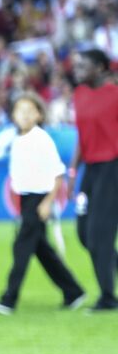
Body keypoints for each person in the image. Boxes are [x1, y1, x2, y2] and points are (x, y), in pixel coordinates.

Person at [0, 94, 87, 314]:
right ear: (13, 115)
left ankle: (9, 298)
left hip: (38, 199)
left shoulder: (41, 139)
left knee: (21, 247)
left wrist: (47, 203)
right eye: (19, 110)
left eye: (29, 110)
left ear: (39, 114)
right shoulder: (16, 137)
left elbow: (58, 174)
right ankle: (74, 291)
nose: (24, 114)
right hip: (26, 199)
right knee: (42, 250)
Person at [70, 48, 118, 311]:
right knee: (84, 233)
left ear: (100, 68)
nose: (76, 70)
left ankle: (108, 298)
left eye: (83, 66)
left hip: (112, 169)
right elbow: (82, 135)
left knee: (100, 236)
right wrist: (72, 171)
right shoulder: (79, 95)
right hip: (90, 170)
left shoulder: (114, 94)